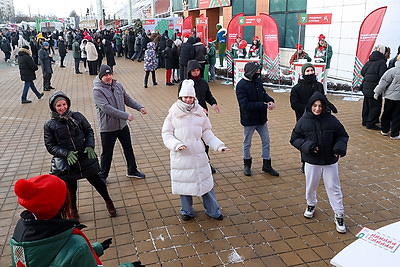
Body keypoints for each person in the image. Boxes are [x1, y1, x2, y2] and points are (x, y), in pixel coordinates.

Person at [10, 174, 144, 267]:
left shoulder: (19, 235)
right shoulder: (76, 245)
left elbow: (47, 257)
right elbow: (71, 254)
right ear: (60, 204)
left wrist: (93, 249)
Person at [162, 79, 230, 221]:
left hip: (199, 154)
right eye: (185, 97)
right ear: (180, 97)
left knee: (206, 183)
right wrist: (176, 145)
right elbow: (166, 134)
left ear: (194, 98)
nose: (188, 100)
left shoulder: (200, 113)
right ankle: (186, 211)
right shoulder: (173, 113)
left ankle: (213, 210)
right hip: (182, 156)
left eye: (190, 97)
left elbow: (207, 133)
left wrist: (219, 145)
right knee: (184, 184)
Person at [44, 91, 117, 219]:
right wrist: (66, 153)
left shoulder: (77, 116)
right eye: (59, 106)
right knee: (71, 188)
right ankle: (73, 209)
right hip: (69, 162)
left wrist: (89, 146)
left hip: (85, 157)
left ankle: (108, 201)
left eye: (64, 104)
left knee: (97, 182)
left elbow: (89, 131)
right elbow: (50, 146)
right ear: (53, 107)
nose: (62, 108)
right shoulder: (50, 125)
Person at [290, 92, 349, 234]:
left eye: (320, 106)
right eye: (315, 106)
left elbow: (342, 135)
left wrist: (339, 147)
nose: (317, 109)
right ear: (310, 106)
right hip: (312, 161)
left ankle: (339, 214)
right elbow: (294, 138)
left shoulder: (332, 121)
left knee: (334, 188)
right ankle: (311, 204)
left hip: (330, 161)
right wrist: (306, 146)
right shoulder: (303, 121)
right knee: (311, 187)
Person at [93, 65, 147, 184]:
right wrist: (125, 115)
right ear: (101, 76)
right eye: (106, 75)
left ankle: (132, 170)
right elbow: (107, 108)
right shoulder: (97, 91)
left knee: (128, 148)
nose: (109, 77)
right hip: (108, 128)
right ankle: (103, 175)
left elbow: (127, 99)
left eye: (110, 74)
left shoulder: (118, 85)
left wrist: (139, 107)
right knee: (107, 153)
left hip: (122, 125)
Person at [235, 61, 279, 177]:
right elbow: (245, 105)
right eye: (257, 72)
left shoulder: (258, 81)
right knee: (247, 143)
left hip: (261, 119)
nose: (258, 74)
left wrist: (270, 100)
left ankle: (267, 165)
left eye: (259, 71)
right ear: (250, 72)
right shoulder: (241, 85)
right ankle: (247, 164)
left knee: (266, 141)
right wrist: (264, 105)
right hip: (249, 119)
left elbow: (263, 94)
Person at [179, 59, 221, 173]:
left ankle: (206, 162)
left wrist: (213, 103)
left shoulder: (203, 83)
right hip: (189, 117)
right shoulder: (185, 84)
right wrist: (197, 107)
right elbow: (181, 101)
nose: (196, 73)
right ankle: (192, 164)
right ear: (189, 72)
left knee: (205, 140)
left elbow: (208, 96)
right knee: (192, 142)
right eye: (193, 71)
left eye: (198, 70)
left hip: (203, 117)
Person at [361, 45, 388, 130]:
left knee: (366, 105)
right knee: (375, 106)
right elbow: (383, 76)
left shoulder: (370, 61)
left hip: (366, 87)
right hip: (375, 88)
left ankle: (365, 121)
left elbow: (362, 72)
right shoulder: (381, 62)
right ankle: (371, 123)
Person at [374, 54, 400, 140]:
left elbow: (383, 83)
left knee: (387, 113)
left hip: (390, 97)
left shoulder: (392, 71)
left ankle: (384, 130)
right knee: (397, 115)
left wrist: (377, 92)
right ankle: (394, 133)